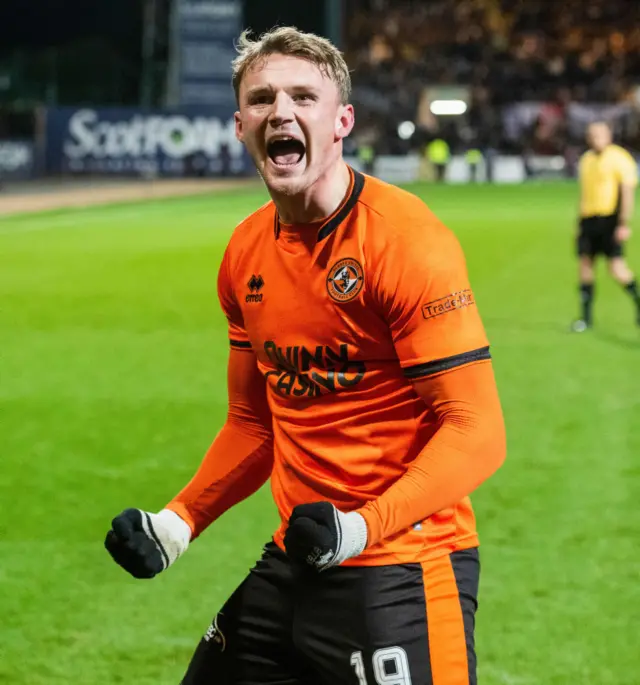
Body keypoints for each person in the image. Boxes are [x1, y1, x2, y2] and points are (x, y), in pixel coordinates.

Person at [105, 26, 507, 685]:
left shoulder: (405, 241)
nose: (281, 113)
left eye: (303, 96)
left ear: (341, 120)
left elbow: (479, 432)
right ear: (240, 125)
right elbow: (255, 422)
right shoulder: (244, 253)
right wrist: (177, 523)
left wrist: (357, 528)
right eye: (262, 99)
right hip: (297, 558)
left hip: (402, 566)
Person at [572, 121, 640, 332]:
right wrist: (579, 222)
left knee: (616, 268)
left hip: (609, 220)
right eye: (592, 135)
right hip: (588, 220)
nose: (596, 138)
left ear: (609, 135)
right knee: (585, 266)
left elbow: (627, 193)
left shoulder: (620, 158)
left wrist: (623, 223)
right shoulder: (586, 160)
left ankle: (638, 305)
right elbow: (584, 193)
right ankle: (586, 318)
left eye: (600, 134)